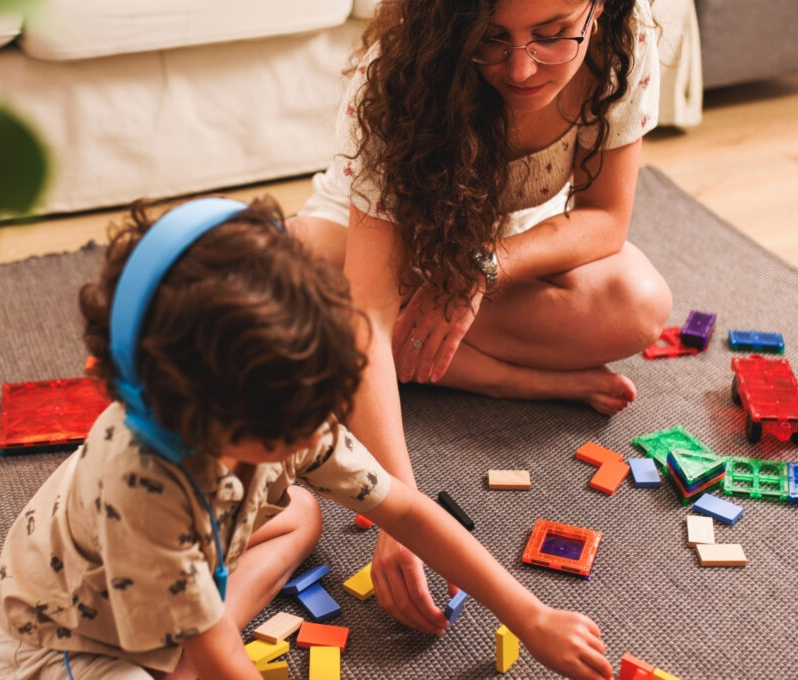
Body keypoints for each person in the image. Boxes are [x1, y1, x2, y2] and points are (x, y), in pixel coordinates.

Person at [0, 197, 613, 680]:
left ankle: (188, 628)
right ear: (194, 410)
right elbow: (222, 663)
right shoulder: (144, 488)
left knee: (300, 510)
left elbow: (407, 512)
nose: (316, 431)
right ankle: (181, 641)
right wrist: (210, 651)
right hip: (63, 640)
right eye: (289, 427)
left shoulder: (284, 403)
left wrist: (530, 616)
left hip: (164, 564)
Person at [286, 0, 672, 638]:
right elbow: (369, 313)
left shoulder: (623, 38)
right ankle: (503, 376)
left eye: (552, 36)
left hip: (498, 245)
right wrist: (399, 514)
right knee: (301, 287)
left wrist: (476, 271)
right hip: (367, 239)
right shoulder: (399, 68)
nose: (520, 69)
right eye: (489, 39)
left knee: (639, 304)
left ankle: (403, 351)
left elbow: (605, 218)